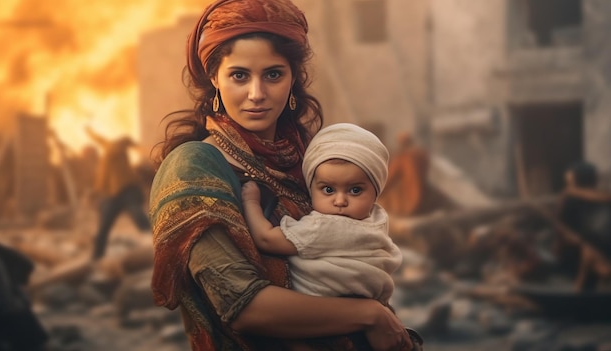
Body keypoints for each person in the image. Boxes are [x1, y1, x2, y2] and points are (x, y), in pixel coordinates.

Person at [149, 0, 414, 350]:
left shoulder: (308, 162)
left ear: (292, 79)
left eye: (273, 74)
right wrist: (371, 315)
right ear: (214, 77)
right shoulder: (194, 166)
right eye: (239, 75)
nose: (257, 94)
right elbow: (241, 305)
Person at [241, 123, 402, 304]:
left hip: (321, 308)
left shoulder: (324, 227)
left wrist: (251, 201)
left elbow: (266, 239)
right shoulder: (378, 219)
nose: (340, 201)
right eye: (328, 189)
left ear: (376, 192)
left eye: (355, 190)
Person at [86, 126, 151, 260]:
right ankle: (96, 257)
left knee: (139, 218)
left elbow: (125, 140)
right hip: (112, 195)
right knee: (104, 227)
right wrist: (92, 133)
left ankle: (158, 244)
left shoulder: (116, 147)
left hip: (127, 191)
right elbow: (101, 140)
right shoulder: (107, 152)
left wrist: (137, 147)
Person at [555, 162, 611, 291]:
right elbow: (562, 232)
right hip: (579, 252)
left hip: (598, 250)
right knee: (588, 251)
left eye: (571, 182)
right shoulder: (569, 199)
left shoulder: (570, 197)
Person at [380, 132, 430, 217]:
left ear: (401, 143)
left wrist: (376, 193)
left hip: (411, 200)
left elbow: (389, 179)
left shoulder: (403, 158)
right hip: (425, 197)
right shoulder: (422, 155)